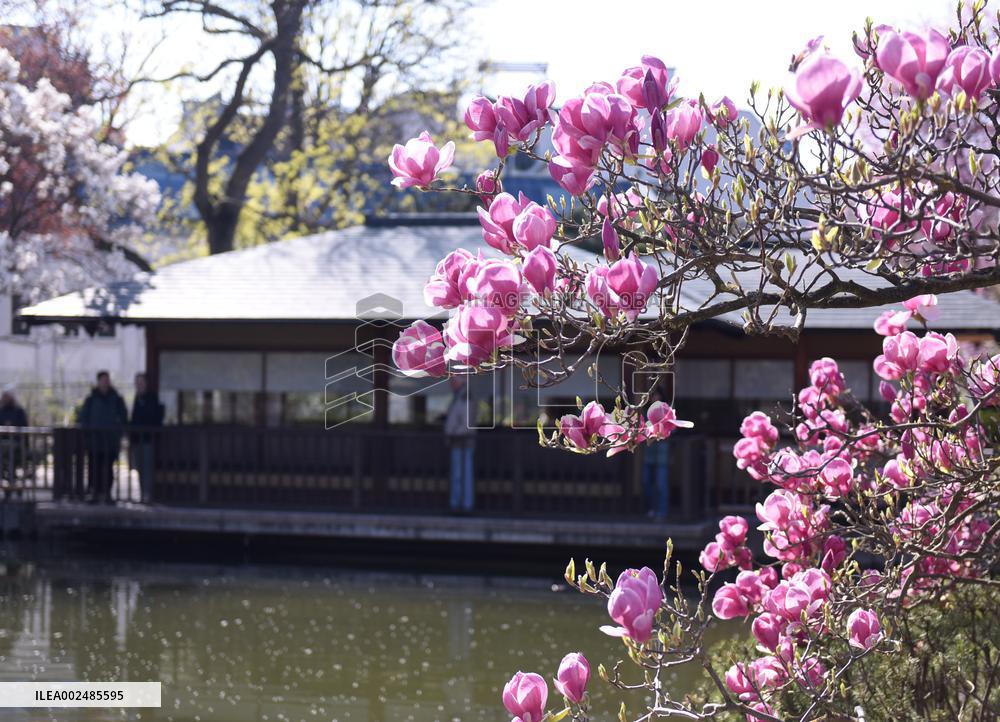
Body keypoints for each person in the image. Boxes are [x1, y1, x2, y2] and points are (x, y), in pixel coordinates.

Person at [78, 371, 127, 504]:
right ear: (98, 382)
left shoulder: (116, 399)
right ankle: (94, 493)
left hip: (110, 442)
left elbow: (123, 418)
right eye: (102, 380)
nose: (105, 382)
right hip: (94, 441)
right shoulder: (91, 399)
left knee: (108, 469)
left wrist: (118, 433)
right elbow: (83, 418)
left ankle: (107, 494)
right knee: (94, 468)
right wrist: (88, 434)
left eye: (107, 380)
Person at [129, 373, 164, 503]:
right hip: (137, 440)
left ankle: (148, 495)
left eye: (141, 382)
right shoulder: (136, 399)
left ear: (146, 383)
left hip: (148, 439)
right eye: (137, 382)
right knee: (139, 468)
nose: (139, 384)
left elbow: (153, 418)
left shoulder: (152, 398)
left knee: (147, 468)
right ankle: (143, 493)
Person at [444, 375, 476, 513]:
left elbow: (467, 425)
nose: (451, 383)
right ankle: (457, 504)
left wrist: (453, 433)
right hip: (457, 442)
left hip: (463, 442)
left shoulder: (465, 399)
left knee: (463, 475)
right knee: (457, 475)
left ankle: (464, 505)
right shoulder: (458, 397)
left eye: (454, 380)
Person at [642, 385, 671, 521]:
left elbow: (672, 428)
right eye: (653, 395)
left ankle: (662, 512)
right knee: (647, 483)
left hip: (662, 455)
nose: (655, 398)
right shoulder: (645, 412)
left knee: (661, 484)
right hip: (649, 455)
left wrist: (660, 432)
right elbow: (641, 430)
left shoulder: (667, 411)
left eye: (657, 395)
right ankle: (652, 509)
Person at [0, 388, 28, 488]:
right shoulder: (1, 410)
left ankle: (11, 481)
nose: (4, 398)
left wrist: (12, 425)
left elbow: (24, 425)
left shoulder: (19, 411)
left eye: (6, 396)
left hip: (16, 442)